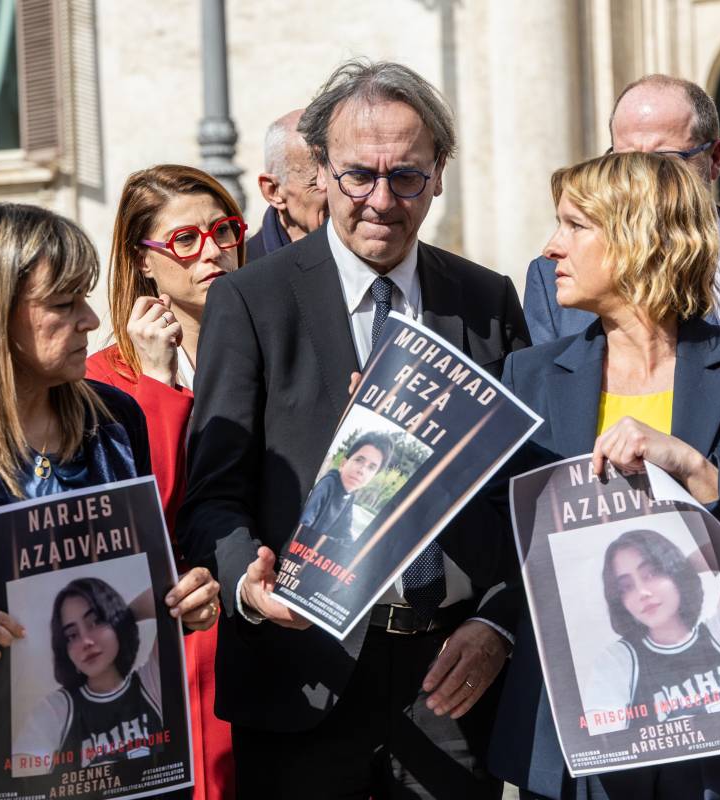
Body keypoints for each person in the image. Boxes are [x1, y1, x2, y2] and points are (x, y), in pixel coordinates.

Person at [176, 59, 529, 800]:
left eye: (406, 177)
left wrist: (499, 624)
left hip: (450, 680)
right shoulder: (251, 300)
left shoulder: (486, 300)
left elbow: (523, 495)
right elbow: (212, 494)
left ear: (439, 174)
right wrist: (247, 585)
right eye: (358, 176)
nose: (381, 200)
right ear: (322, 172)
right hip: (299, 675)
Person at [491, 151, 720, 800]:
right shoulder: (531, 376)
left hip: (718, 728)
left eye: (575, 225)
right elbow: (500, 540)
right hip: (580, 735)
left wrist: (692, 466)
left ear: (638, 238)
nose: (551, 248)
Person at [0, 201, 221, 782]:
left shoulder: (116, 420)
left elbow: (135, 587)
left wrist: (183, 601)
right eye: (63, 304)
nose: (90, 320)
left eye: (85, 297)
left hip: (126, 761)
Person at [85, 163, 242, 799]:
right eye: (184, 239)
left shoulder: (269, 348)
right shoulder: (101, 377)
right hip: (169, 634)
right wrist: (156, 382)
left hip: (266, 620)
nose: (211, 251)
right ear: (143, 261)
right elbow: (140, 510)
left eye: (224, 230)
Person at [523, 74, 720, 357]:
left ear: (715, 158)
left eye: (662, 161)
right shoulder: (554, 277)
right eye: (625, 160)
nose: (643, 178)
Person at [581, 530, 720, 736]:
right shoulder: (618, 661)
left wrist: (682, 567)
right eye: (626, 587)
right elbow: (601, 741)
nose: (642, 593)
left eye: (651, 573)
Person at [13, 579, 166, 776]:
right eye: (72, 635)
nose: (85, 641)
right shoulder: (56, 709)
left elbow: (168, 593)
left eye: (95, 622)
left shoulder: (150, 682)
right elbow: (22, 781)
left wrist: (123, 618)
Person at [245, 109, 328, 261]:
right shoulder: (246, 269)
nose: (338, 191)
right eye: (316, 182)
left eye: (343, 176)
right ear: (273, 191)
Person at [299, 433, 392, 543]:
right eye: (359, 460)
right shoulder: (328, 484)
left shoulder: (349, 496)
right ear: (343, 463)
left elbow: (346, 535)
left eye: (371, 467)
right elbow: (301, 527)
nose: (362, 470)